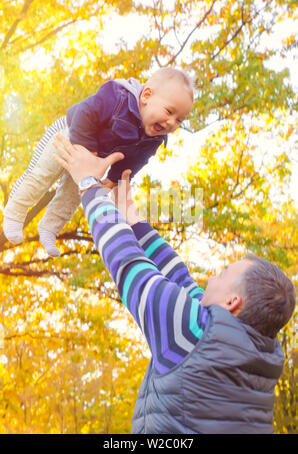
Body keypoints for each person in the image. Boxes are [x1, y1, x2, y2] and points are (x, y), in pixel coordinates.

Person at [53, 134, 296, 434]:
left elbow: (129, 265)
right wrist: (133, 219)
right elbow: (180, 280)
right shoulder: (253, 353)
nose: (212, 277)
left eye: (223, 274)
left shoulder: (195, 334)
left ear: (233, 302)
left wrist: (89, 186)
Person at [3, 67, 193, 257]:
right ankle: (15, 212)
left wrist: (113, 178)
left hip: (91, 162)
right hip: (69, 133)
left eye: (179, 120)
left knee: (73, 195)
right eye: (169, 112)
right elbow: (86, 112)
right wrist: (85, 148)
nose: (171, 123)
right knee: (41, 175)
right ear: (147, 95)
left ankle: (49, 228)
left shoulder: (154, 140)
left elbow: (133, 161)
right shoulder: (118, 97)